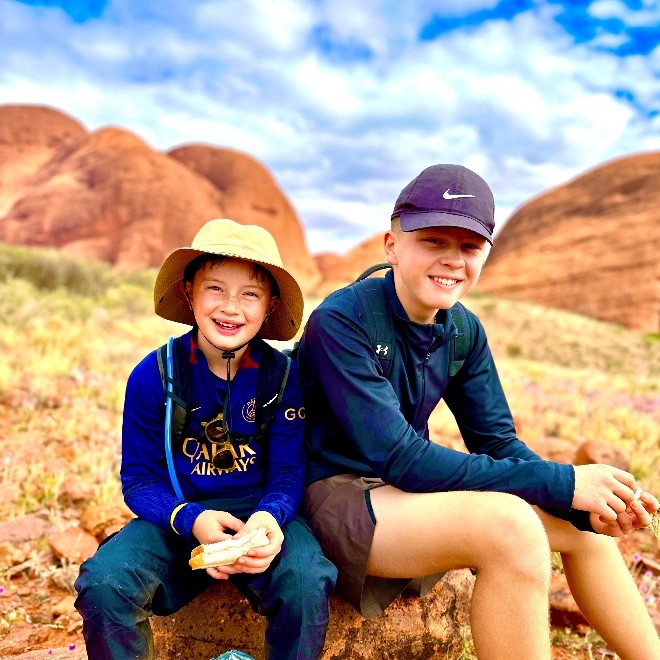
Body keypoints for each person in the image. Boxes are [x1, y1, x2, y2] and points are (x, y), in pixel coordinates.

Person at [296, 165, 660, 660]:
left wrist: (584, 502)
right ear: (392, 245)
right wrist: (563, 482)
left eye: (469, 247)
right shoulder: (341, 321)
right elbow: (401, 458)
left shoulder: (462, 330)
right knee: (510, 527)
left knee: (585, 531)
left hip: (406, 496)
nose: (453, 260)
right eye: (433, 241)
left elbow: (497, 442)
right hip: (334, 496)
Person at [75, 218, 337, 660]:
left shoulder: (283, 378)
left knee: (306, 579)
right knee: (105, 583)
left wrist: (270, 517)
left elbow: (288, 473)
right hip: (180, 519)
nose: (231, 308)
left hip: (258, 518)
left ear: (270, 305)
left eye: (250, 294)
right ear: (189, 293)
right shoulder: (154, 375)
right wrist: (191, 520)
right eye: (215, 289)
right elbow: (139, 480)